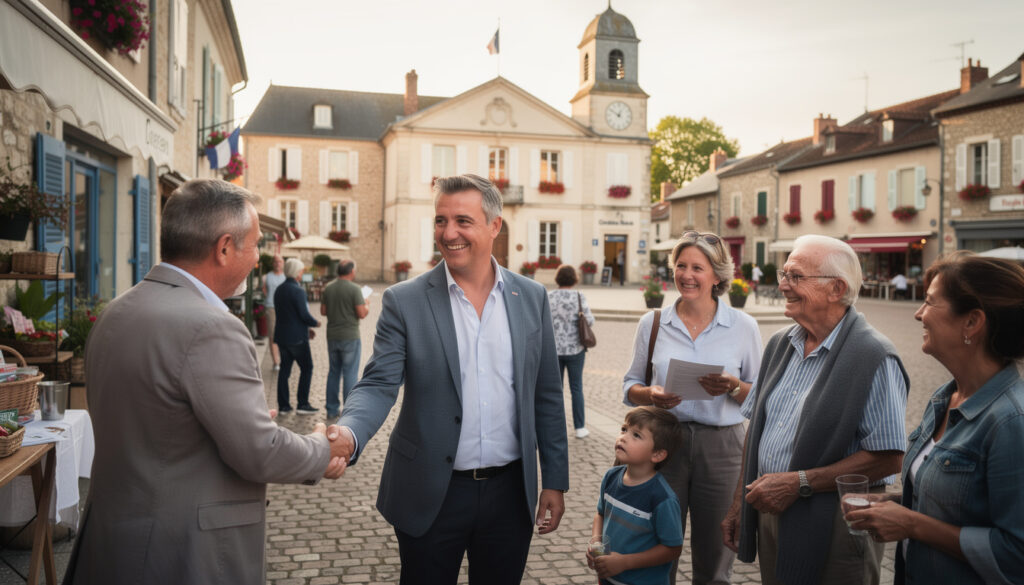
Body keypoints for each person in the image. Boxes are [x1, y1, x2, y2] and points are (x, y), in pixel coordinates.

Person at [62, 179, 347, 584]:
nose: (257, 259)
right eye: (255, 245)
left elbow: (158, 421)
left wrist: (240, 418)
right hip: (178, 553)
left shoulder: (116, 310)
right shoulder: (213, 327)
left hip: (113, 542)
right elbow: (258, 451)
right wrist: (322, 447)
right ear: (225, 247)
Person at [335, 174, 569, 585]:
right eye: (441, 221)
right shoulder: (404, 300)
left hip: (510, 493)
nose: (449, 233)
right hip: (430, 490)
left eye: (463, 221)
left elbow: (546, 393)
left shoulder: (531, 296)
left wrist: (554, 479)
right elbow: (378, 383)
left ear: (494, 226)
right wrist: (350, 432)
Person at [721, 234, 909, 585]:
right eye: (783, 274)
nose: (783, 286)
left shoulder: (874, 356)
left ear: (836, 289)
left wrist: (799, 483)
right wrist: (738, 506)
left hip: (837, 519)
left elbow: (888, 457)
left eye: (795, 276)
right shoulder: (781, 343)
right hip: (772, 509)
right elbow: (757, 429)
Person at [846, 252, 1024, 585]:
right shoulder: (946, 398)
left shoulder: (1011, 421)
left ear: (972, 322)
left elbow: (1017, 556)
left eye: (929, 303)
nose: (918, 314)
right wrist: (893, 506)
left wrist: (912, 525)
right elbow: (962, 503)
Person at [623, 230, 762, 585]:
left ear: (717, 276)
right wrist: (651, 395)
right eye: (680, 265)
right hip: (663, 444)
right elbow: (630, 386)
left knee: (716, 550)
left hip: (723, 446)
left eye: (697, 268)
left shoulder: (744, 327)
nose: (686, 275)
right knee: (655, 541)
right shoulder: (653, 323)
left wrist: (733, 386)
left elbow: (761, 397)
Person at [587, 406, 684, 585]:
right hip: (608, 578)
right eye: (624, 429)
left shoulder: (662, 498)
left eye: (636, 435)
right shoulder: (611, 477)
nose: (623, 437)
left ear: (657, 454)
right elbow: (600, 514)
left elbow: (672, 549)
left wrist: (625, 562)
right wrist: (596, 543)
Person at [547, 264, 595, 438]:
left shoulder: (549, 296)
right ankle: (580, 427)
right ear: (574, 279)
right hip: (575, 349)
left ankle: (555, 427)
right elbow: (589, 320)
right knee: (576, 388)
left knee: (555, 389)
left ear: (557, 278)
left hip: (554, 351)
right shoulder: (578, 296)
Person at [320, 259, 369, 418]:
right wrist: (366, 303)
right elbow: (361, 313)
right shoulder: (355, 289)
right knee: (350, 374)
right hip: (350, 336)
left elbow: (323, 311)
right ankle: (348, 410)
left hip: (332, 336)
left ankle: (331, 409)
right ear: (351, 272)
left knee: (334, 372)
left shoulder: (329, 288)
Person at [274, 258, 321, 415]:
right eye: (301, 271)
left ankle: (284, 406)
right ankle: (302, 403)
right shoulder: (298, 290)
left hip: (282, 336)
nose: (302, 273)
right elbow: (303, 314)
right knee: (307, 368)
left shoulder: (279, 289)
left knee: (284, 371)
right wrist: (315, 323)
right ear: (296, 272)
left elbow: (289, 315)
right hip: (297, 339)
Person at [263, 254, 286, 370]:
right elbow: (264, 289)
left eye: (280, 262)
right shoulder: (267, 276)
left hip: (284, 308)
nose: (278, 264)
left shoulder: (286, 277)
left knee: (284, 334)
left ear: (283, 264)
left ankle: (284, 359)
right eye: (276, 262)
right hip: (271, 307)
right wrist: (269, 298)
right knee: (272, 335)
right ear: (273, 263)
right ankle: (276, 362)